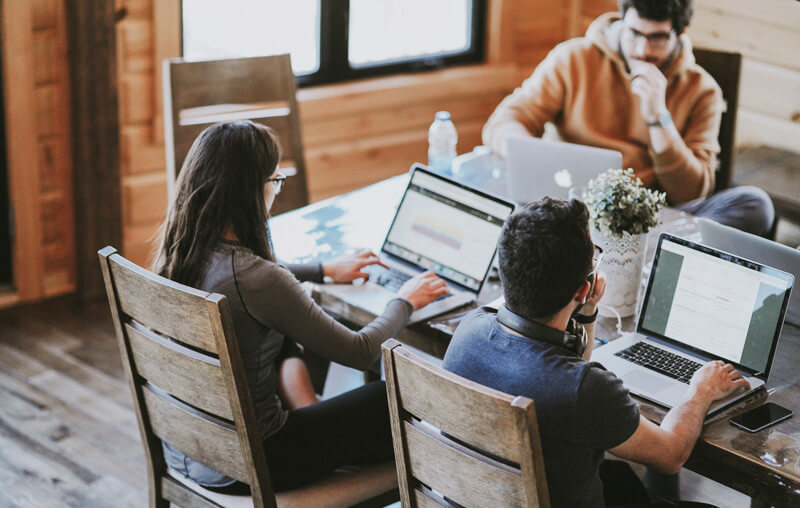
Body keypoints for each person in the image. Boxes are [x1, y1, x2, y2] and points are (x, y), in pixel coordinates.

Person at [153, 120, 448, 492]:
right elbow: (359, 352)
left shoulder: (183, 251)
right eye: (275, 181)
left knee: (282, 334)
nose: (276, 191)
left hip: (188, 448)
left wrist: (322, 270)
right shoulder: (257, 279)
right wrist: (405, 300)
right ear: (251, 190)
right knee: (388, 398)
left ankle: (311, 410)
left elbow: (257, 281)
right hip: (259, 461)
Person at [442, 197, 749, 507]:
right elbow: (670, 455)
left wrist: (586, 312)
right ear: (582, 287)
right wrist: (701, 390)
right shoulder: (585, 389)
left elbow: (563, 378)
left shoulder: (468, 330)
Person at [483, 0, 774, 237]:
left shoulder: (703, 90)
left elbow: (692, 192)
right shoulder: (572, 59)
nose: (643, 50)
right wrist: (530, 157)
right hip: (570, 210)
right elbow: (504, 122)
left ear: (682, 31)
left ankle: (653, 261)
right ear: (622, 20)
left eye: (658, 38)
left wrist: (659, 118)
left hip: (650, 223)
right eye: (634, 33)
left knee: (755, 204)